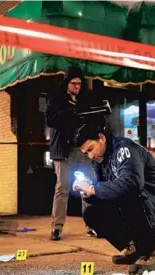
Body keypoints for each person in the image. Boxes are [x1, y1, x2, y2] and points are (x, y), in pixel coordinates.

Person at [71, 124, 155, 275]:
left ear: (102, 138)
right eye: (86, 153)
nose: (90, 156)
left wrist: (92, 189)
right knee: (92, 213)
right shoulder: (100, 160)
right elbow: (104, 191)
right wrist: (87, 193)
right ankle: (136, 249)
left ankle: (152, 254)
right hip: (144, 206)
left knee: (126, 194)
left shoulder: (125, 149)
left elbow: (131, 184)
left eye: (90, 149)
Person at [45, 66, 108, 241]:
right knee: (62, 189)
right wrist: (70, 115)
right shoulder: (56, 99)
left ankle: (92, 225)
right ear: (66, 83)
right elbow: (50, 119)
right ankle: (56, 228)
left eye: (79, 84)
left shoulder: (86, 99)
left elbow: (95, 121)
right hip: (63, 151)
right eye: (73, 84)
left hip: (83, 150)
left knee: (87, 187)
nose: (77, 87)